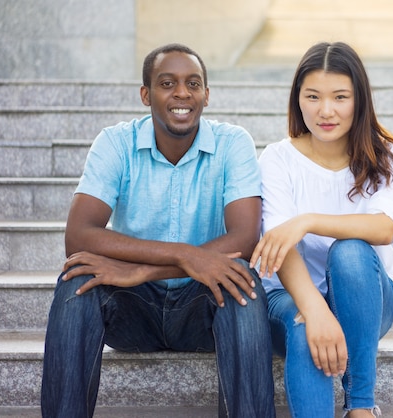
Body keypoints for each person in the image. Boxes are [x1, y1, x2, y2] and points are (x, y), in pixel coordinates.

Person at [41, 43, 275, 418]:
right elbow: (79, 235)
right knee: (76, 278)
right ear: (146, 94)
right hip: (134, 309)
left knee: (241, 278)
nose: (182, 93)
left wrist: (146, 269)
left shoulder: (234, 144)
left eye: (193, 84)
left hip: (203, 306)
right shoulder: (115, 143)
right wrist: (185, 254)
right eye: (168, 83)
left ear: (207, 96)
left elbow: (246, 239)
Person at [249, 41, 393, 418]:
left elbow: (384, 228)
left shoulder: (386, 157)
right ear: (298, 100)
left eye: (340, 97)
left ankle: (360, 406)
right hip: (290, 296)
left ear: (359, 100)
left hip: (368, 299)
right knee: (306, 330)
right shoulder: (278, 159)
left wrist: (306, 220)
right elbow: (280, 248)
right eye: (313, 97)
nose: (326, 111)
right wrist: (315, 310)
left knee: (351, 251)